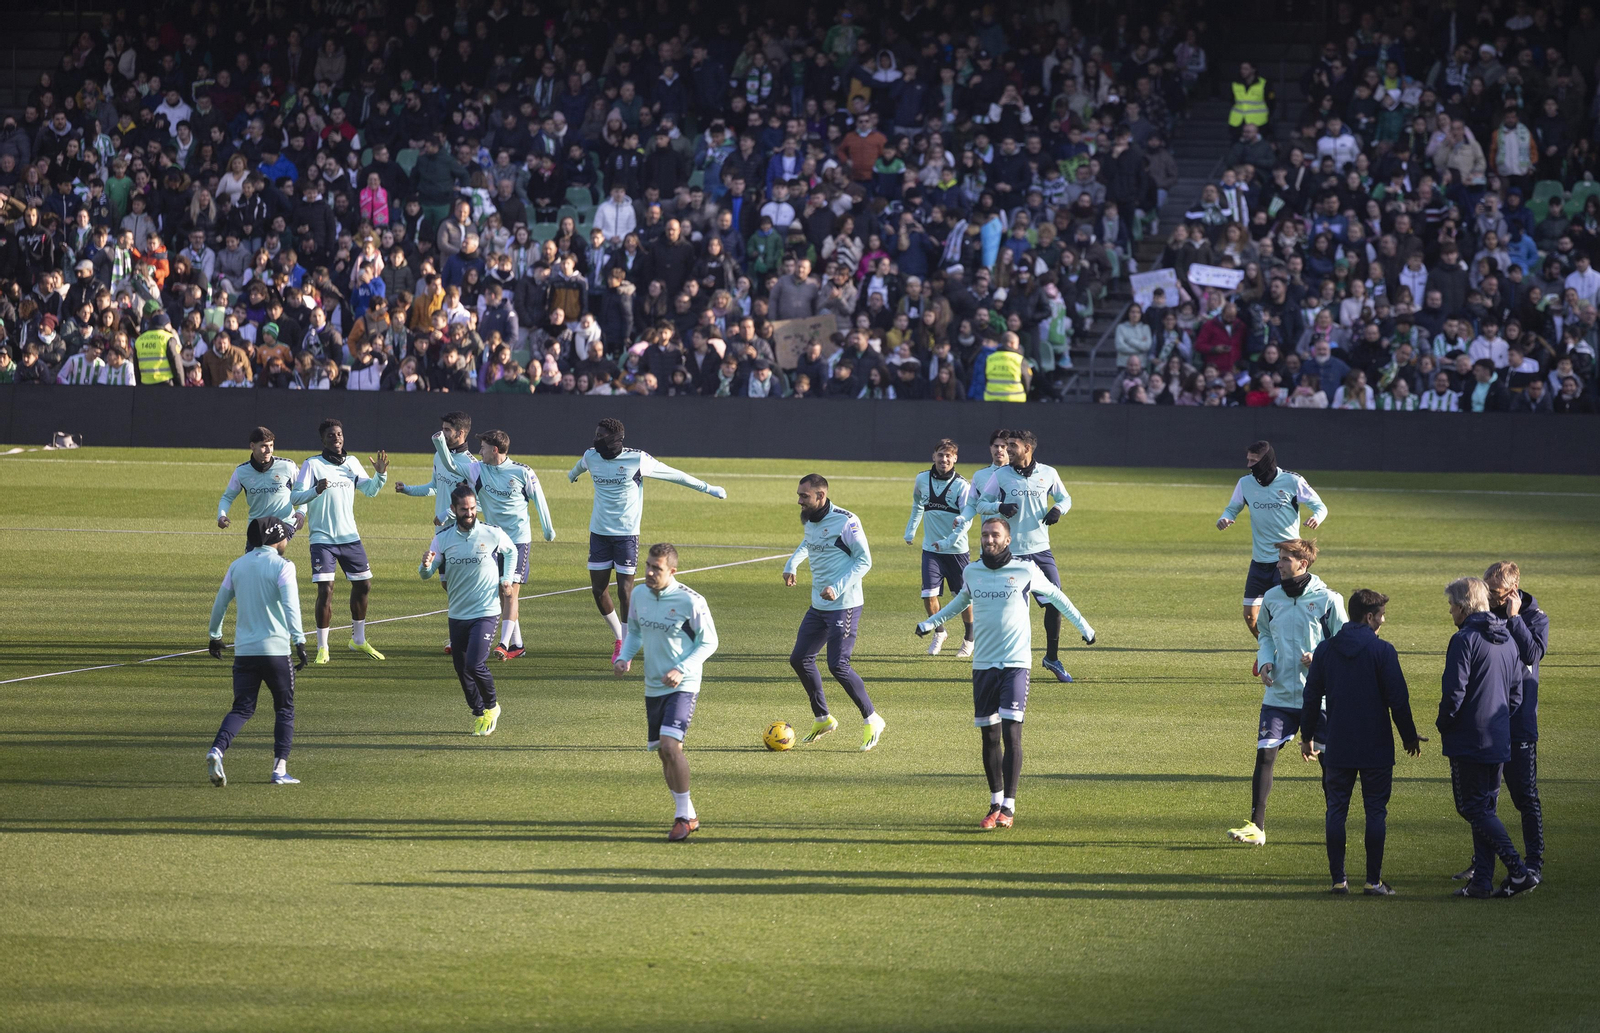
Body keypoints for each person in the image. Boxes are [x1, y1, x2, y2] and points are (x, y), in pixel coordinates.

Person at [917, 516, 1095, 828]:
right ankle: (994, 802)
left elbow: (1057, 596)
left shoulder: (1025, 569)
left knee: (1012, 733)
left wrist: (1085, 627)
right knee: (989, 736)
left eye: (995, 535)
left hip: (1015, 663)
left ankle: (1009, 807)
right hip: (983, 664)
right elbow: (959, 602)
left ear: (1007, 539)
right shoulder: (972, 571)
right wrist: (929, 623)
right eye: (985, 535)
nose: (989, 540)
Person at [568, 418, 727, 659]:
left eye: (601, 435)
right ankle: (620, 638)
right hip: (599, 533)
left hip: (626, 535)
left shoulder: (638, 459)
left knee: (625, 590)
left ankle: (626, 643)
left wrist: (707, 487)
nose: (596, 439)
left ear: (614, 439)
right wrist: (572, 474)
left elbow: (676, 476)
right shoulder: (592, 456)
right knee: (598, 590)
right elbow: (581, 465)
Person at [1300, 589, 1424, 895]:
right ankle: (1373, 881)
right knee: (1375, 812)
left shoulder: (1326, 650)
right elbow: (1399, 701)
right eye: (1381, 616)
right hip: (1376, 746)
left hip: (1338, 744)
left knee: (1336, 811)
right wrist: (1409, 737)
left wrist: (1307, 737)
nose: (1383, 621)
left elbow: (1312, 696)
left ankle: (1338, 881)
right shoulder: (1383, 651)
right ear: (1369, 617)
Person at [1228, 538, 1346, 846]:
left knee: (1328, 763)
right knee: (1265, 754)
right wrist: (1266, 661)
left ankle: (1334, 827)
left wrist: (1319, 656)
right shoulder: (1271, 598)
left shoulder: (1328, 600)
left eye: (1284, 559)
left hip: (1317, 697)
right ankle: (1256, 827)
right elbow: (1265, 634)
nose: (1278, 564)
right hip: (1279, 694)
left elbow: (1345, 641)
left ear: (1302, 564)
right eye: (1279, 558)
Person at [942, 429, 1076, 683]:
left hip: (1040, 550)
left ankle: (1052, 658)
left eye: (1013, 446)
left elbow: (1065, 497)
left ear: (1028, 448)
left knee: (1055, 603)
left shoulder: (1049, 473)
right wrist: (999, 507)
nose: (1007, 450)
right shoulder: (1001, 475)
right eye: (1005, 446)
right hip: (1010, 554)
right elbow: (981, 503)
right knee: (1005, 608)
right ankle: (1001, 660)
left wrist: (1058, 508)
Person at [613, 542, 720, 841]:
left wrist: (682, 668)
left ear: (672, 571)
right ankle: (689, 813)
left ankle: (681, 819)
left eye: (656, 568)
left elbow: (709, 642)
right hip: (653, 685)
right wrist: (625, 657)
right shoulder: (639, 595)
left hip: (683, 684)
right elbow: (634, 632)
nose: (648, 572)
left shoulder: (691, 601)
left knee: (671, 746)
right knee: (664, 753)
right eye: (647, 565)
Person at [1438, 576, 1537, 898]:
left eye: (1452, 604)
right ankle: (1481, 882)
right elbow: (1516, 695)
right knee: (1485, 809)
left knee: (1472, 808)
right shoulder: (1508, 639)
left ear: (1464, 606)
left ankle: (1519, 871)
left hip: (1468, 740)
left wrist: (1445, 723)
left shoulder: (1464, 639)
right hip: (1498, 738)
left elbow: (1455, 692)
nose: (1450, 611)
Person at [204, 517, 308, 787]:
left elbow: (220, 604)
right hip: (276, 652)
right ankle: (279, 769)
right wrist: (300, 641)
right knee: (284, 708)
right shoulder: (283, 566)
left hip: (245, 653)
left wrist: (215, 636)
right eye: (285, 535)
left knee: (242, 708)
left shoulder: (237, 566)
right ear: (275, 539)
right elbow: (291, 606)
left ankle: (217, 750)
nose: (287, 540)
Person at [784, 473, 885, 750]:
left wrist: (837, 587)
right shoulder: (811, 519)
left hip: (845, 603)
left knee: (838, 665)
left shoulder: (846, 521)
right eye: (798, 495)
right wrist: (793, 563)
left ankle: (872, 719)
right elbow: (809, 542)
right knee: (800, 659)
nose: (799, 501)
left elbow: (865, 561)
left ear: (821, 496)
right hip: (819, 605)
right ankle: (823, 717)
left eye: (804, 496)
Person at [1216, 441, 1329, 656]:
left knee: (1283, 614)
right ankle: (1271, 649)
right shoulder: (1245, 483)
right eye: (1248, 459)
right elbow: (1232, 508)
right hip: (1259, 561)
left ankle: (1286, 654)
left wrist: (1316, 517)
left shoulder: (1292, 481)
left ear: (1266, 461)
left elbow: (1320, 506)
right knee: (1250, 615)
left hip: (1287, 561)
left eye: (1254, 461)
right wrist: (1225, 518)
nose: (1249, 465)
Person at [419, 485, 516, 735]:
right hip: (457, 614)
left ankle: (493, 707)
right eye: (464, 509)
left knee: (474, 664)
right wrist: (426, 566)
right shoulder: (443, 539)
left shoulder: (491, 533)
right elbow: (427, 574)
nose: (469, 513)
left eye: (472, 508)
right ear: (454, 510)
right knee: (461, 669)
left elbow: (511, 550)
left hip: (486, 611)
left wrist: (506, 578)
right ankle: (479, 711)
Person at [454, 429, 558, 660]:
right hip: (492, 541)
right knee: (502, 592)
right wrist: (441, 442)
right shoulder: (480, 470)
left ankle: (503, 643)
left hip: (518, 541)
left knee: (509, 592)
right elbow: (454, 471)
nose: (479, 451)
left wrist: (548, 530)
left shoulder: (522, 472)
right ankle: (517, 644)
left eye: (482, 447)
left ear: (495, 449)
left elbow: (539, 500)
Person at [294, 419, 389, 664]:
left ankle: (358, 641)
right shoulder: (312, 464)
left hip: (349, 537)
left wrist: (381, 475)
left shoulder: (352, 463)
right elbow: (295, 496)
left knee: (364, 585)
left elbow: (370, 490)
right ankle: (323, 648)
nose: (336, 438)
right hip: (322, 538)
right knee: (326, 590)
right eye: (331, 435)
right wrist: (315, 490)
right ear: (323, 440)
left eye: (339, 434)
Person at [904, 438, 974, 657]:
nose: (944, 459)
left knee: (962, 598)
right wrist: (910, 530)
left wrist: (950, 541)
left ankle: (969, 638)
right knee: (928, 595)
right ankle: (940, 632)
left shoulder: (963, 485)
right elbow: (917, 505)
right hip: (931, 550)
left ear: (955, 459)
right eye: (940, 455)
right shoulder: (922, 479)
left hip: (957, 552)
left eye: (949, 456)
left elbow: (968, 519)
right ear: (933, 456)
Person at [217, 426, 324, 532]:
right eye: (264, 446)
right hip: (256, 526)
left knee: (271, 546)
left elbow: (303, 490)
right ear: (252, 446)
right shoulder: (241, 471)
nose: (269, 450)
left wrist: (301, 512)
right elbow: (227, 497)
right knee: (254, 550)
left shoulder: (287, 466)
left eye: (271, 445)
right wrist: (221, 515)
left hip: (285, 524)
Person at [395, 411, 475, 529]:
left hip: (462, 531)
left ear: (460, 433)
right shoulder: (439, 455)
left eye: (447, 430)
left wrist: (447, 514)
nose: (442, 434)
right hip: (440, 529)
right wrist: (407, 489)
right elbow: (434, 486)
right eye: (442, 429)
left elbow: (478, 503)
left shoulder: (471, 464)